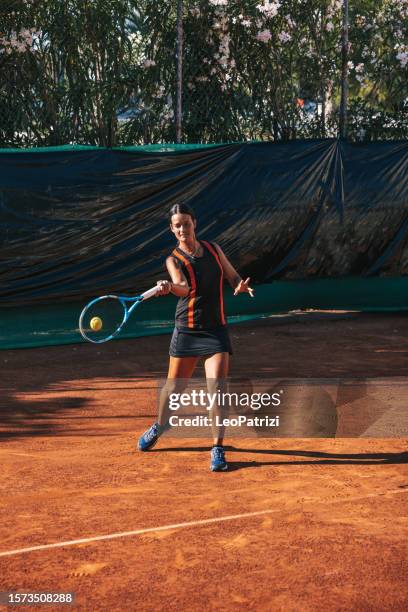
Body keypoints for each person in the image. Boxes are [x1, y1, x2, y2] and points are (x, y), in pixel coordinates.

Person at [138, 203, 254, 471]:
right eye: (177, 225)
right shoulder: (173, 259)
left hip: (215, 330)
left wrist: (239, 285)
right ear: (172, 229)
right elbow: (183, 287)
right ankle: (159, 426)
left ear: (194, 224)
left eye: (186, 223)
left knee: (218, 390)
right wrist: (169, 286)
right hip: (187, 330)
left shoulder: (214, 249)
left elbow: (232, 274)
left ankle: (217, 448)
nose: (182, 229)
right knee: (173, 392)